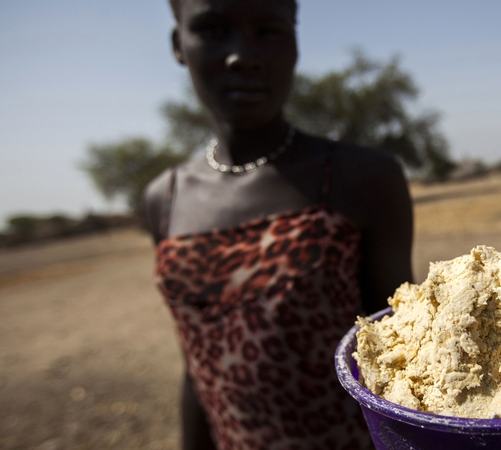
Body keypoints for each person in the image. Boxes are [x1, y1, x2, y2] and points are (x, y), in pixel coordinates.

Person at [143, 0, 413, 448]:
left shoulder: (361, 179)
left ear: (294, 43)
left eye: (267, 31)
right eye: (212, 29)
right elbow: (197, 369)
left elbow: (403, 351)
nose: (241, 55)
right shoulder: (165, 199)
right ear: (178, 44)